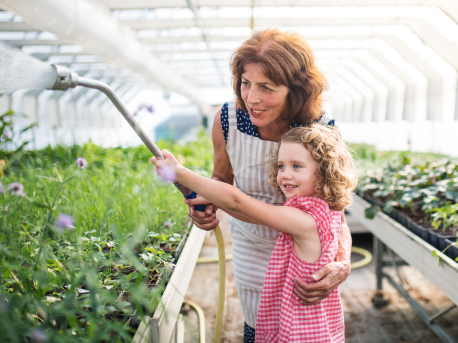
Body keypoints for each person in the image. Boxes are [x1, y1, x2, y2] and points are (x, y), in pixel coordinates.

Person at [182, 28, 353, 341]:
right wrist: (206, 210)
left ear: (296, 90)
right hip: (252, 247)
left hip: (306, 256)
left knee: (302, 329)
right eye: (246, 83)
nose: (252, 98)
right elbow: (221, 178)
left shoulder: (320, 129)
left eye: (267, 87)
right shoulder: (228, 121)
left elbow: (335, 209)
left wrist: (342, 261)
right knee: (259, 326)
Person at [151, 124, 357, 342]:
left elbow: (237, 202)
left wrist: (180, 172)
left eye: (297, 166)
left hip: (300, 333)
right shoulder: (325, 210)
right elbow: (242, 209)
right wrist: (211, 197)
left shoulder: (304, 222)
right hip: (316, 326)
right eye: (281, 166)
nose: (285, 175)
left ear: (324, 172)